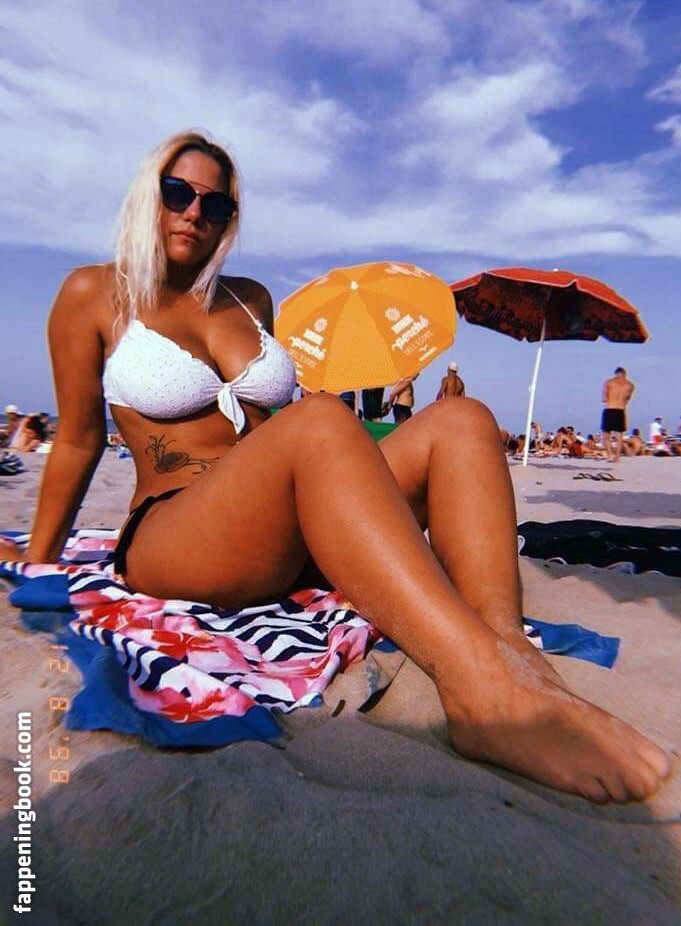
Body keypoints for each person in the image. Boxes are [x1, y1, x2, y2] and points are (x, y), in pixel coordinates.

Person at [0, 129, 669, 804]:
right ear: (148, 196)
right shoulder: (93, 292)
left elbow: (273, 429)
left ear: (230, 219)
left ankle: (505, 648)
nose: (194, 212)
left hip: (280, 529)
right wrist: (41, 558)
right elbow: (79, 440)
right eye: (177, 193)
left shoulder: (248, 298)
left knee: (461, 421)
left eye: (215, 203)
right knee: (320, 419)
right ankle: (478, 690)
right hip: (177, 533)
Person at [601, 367, 635, 462]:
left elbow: (604, 398)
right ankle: (617, 457)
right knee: (619, 436)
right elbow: (627, 399)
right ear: (624, 374)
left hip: (609, 408)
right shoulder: (630, 385)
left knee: (606, 435)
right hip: (620, 410)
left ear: (616, 373)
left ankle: (610, 455)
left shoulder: (609, 382)